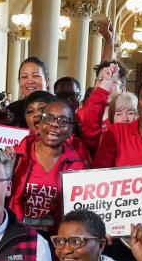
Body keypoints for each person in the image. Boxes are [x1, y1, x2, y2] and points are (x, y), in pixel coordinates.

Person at [9, 97, 88, 233]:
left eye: (63, 121)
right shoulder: (17, 155)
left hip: (55, 239)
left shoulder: (77, 166)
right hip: (15, 233)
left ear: (70, 130)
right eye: (48, 118)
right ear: (39, 124)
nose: (54, 124)